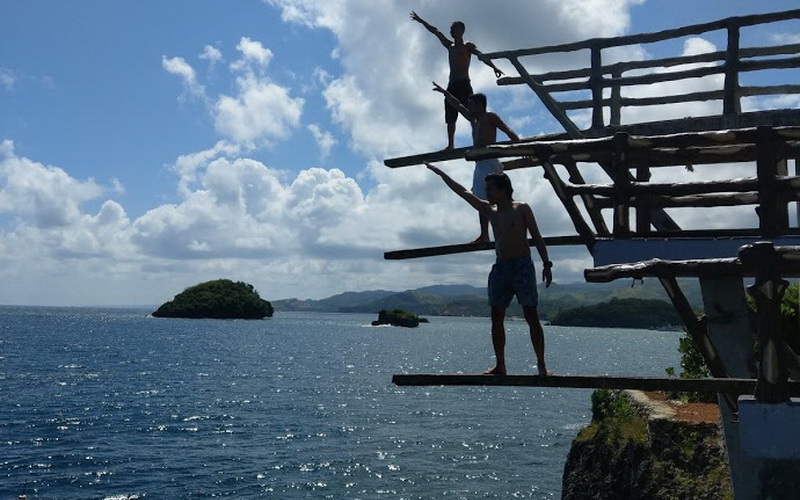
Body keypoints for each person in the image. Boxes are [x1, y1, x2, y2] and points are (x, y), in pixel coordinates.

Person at [425, 161, 553, 376]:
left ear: (503, 190)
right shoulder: (490, 211)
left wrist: (547, 264)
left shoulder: (521, 208)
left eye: (490, 189)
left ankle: (541, 365)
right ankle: (500, 365)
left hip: (522, 265)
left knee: (531, 315)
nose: (487, 193)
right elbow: (463, 192)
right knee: (496, 316)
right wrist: (440, 173)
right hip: (501, 267)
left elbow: (537, 237)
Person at [432, 81, 520, 243]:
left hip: (490, 161)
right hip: (479, 165)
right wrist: (445, 93)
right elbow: (458, 106)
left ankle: (506, 229)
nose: (469, 107)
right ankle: (484, 234)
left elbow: (507, 130)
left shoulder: (489, 117)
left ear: (480, 105)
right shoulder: (474, 120)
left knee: (496, 197)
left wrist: (520, 147)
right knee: (480, 199)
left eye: (471, 104)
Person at [410, 11, 505, 150]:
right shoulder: (450, 46)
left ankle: (479, 140)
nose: (451, 31)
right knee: (450, 116)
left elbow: (481, 56)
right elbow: (435, 31)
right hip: (452, 84)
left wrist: (494, 67)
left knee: (472, 114)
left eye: (453, 29)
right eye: (450, 29)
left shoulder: (467, 46)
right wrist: (420, 20)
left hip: (464, 83)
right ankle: (451, 145)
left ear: (461, 30)